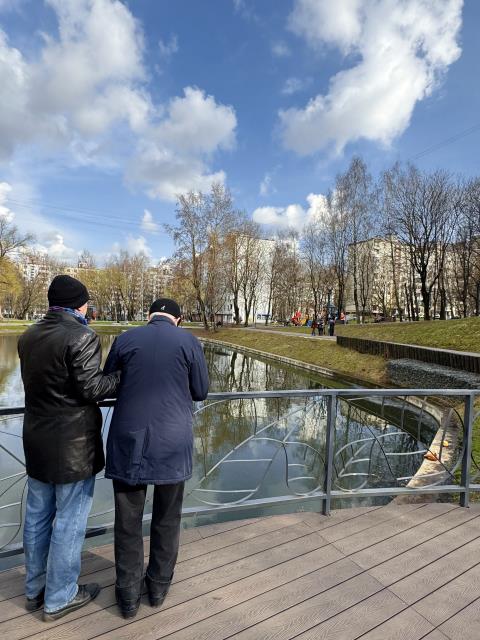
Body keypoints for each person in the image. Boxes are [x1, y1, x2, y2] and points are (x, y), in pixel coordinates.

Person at [17, 275, 120, 622]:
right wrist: (123, 375)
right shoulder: (81, 335)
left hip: (36, 441)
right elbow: (92, 388)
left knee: (37, 518)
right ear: (80, 304)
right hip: (73, 448)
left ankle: (34, 590)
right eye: (87, 303)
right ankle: (60, 597)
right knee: (69, 523)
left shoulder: (29, 335)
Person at [103, 298, 209, 619]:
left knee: (128, 520)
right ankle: (159, 587)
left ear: (148, 316)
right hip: (172, 442)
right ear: (179, 318)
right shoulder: (189, 341)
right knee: (167, 517)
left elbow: (108, 384)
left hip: (129, 440)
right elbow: (200, 390)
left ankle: (127, 595)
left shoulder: (125, 338)